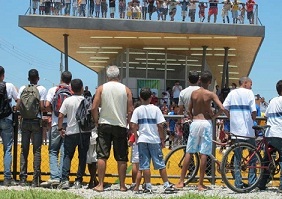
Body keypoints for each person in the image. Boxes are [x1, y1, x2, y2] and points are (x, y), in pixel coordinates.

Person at [175, 71, 224, 191]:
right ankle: (200, 183)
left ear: (200, 80)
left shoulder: (194, 93)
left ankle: (181, 181)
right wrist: (214, 116)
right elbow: (222, 108)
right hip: (206, 122)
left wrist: (192, 117)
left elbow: (189, 110)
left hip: (195, 122)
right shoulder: (210, 94)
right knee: (204, 153)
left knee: (189, 151)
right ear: (210, 82)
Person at [92, 65, 133, 192]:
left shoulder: (101, 88)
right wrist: (129, 124)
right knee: (121, 157)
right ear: (119, 76)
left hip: (104, 123)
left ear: (107, 76)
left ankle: (100, 184)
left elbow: (94, 107)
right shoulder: (126, 89)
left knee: (102, 155)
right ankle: (122, 185)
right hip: (120, 125)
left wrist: (96, 121)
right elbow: (130, 110)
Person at [130, 87, 175, 193]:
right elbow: (161, 125)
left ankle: (148, 185)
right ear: (151, 97)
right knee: (160, 163)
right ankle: (166, 184)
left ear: (140, 98)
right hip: (154, 139)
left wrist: (136, 136)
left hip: (142, 139)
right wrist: (162, 138)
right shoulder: (156, 109)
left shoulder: (138, 110)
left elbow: (133, 125)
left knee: (145, 164)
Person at [223, 76, 257, 189]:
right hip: (248, 130)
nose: (251, 86)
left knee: (237, 158)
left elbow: (224, 107)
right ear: (245, 83)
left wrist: (230, 116)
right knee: (253, 156)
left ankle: (238, 183)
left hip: (235, 130)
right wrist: (253, 120)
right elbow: (253, 111)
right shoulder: (249, 93)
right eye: (250, 84)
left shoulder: (232, 93)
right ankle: (252, 181)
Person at [57, 79, 91, 189]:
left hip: (70, 132)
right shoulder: (86, 101)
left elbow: (61, 115)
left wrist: (60, 128)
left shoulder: (68, 101)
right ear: (82, 89)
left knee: (67, 156)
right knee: (82, 157)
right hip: (84, 132)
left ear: (71, 89)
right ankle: (79, 180)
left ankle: (65, 179)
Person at [40, 71, 72, 188]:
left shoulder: (53, 90)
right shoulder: (72, 91)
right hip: (69, 125)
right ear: (70, 79)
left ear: (61, 78)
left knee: (53, 151)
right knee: (65, 152)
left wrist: (53, 110)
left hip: (55, 123)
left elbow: (47, 104)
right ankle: (63, 178)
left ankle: (55, 177)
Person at [16, 69, 47, 187]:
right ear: (38, 78)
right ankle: (36, 179)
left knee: (24, 150)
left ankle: (22, 178)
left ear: (28, 78)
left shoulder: (23, 88)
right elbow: (42, 106)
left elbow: (18, 105)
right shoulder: (42, 89)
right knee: (37, 150)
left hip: (25, 121)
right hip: (36, 121)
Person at [257, 80, 282, 192]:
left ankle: (262, 183)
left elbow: (266, 115)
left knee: (267, 159)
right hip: (279, 133)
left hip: (269, 134)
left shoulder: (273, 101)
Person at [0, 66, 18, 186]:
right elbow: (18, 99)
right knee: (7, 149)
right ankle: (7, 178)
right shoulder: (9, 86)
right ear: (3, 75)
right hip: (6, 118)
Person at [178, 71, 200, 144]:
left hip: (187, 121)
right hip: (200, 120)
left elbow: (180, 109)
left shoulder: (183, 92)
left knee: (187, 144)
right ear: (198, 79)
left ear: (188, 80)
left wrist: (179, 122)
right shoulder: (203, 92)